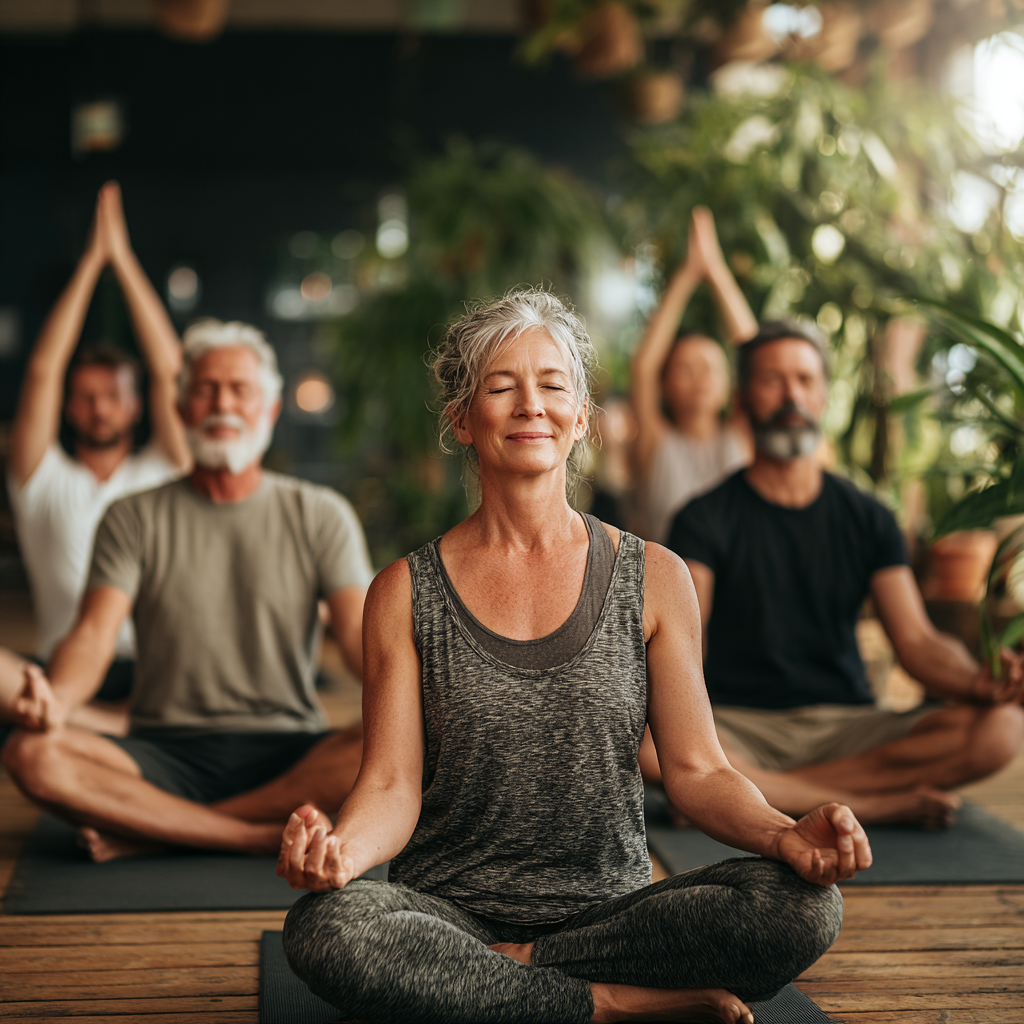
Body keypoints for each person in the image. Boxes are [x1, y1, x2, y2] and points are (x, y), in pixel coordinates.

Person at [275, 290, 869, 1024]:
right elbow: (392, 786)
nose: (531, 405)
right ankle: (609, 1004)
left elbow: (697, 771)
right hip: (447, 914)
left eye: (553, 386)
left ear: (581, 416)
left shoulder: (655, 577)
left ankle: (511, 982)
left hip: (613, 918)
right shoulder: (403, 591)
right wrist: (340, 850)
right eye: (501, 387)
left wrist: (785, 834)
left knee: (803, 905)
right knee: (328, 928)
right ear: (461, 419)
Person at [2, 320, 373, 861]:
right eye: (205, 389)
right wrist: (58, 698)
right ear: (179, 409)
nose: (222, 404)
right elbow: (94, 634)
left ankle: (151, 830)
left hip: (290, 750)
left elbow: (359, 633)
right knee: (31, 754)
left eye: (240, 389)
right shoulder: (131, 516)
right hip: (162, 752)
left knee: (406, 740)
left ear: (270, 409)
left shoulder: (321, 514)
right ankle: (252, 834)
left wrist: (419, 699)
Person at [645, 320, 1024, 829]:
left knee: (1002, 729)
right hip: (740, 726)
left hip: (849, 727)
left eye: (804, 380)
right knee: (650, 746)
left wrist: (979, 679)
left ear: (824, 395)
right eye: (772, 380)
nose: (791, 395)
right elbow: (688, 650)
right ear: (743, 400)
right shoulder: (702, 518)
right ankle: (864, 804)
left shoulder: (870, 517)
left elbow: (917, 643)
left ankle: (751, 795)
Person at [6, 181, 190, 722]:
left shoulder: (164, 471)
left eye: (113, 396)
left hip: (155, 675)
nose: (99, 408)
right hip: (63, 671)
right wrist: (90, 264)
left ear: (137, 407)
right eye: (86, 397)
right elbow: (43, 371)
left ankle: (92, 728)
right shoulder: (42, 479)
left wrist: (123, 261)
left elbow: (171, 372)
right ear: (67, 408)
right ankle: (87, 722)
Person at [631, 207, 758, 543]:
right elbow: (643, 368)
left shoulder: (742, 437)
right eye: (685, 369)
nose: (699, 377)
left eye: (710, 368)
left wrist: (716, 271)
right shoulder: (656, 444)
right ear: (666, 385)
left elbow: (755, 356)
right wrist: (687, 275)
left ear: (728, 385)